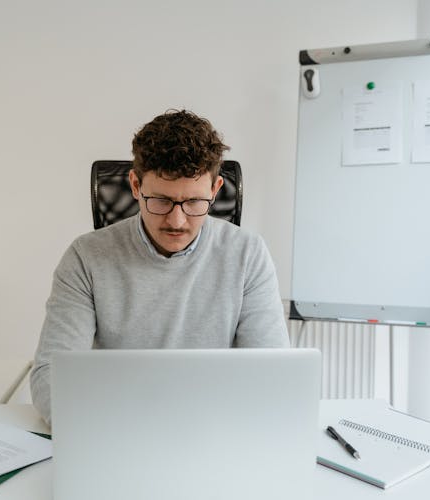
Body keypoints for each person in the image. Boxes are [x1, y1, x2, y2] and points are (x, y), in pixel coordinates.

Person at [30, 109, 289, 424]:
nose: (177, 221)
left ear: (215, 190)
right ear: (136, 185)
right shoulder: (86, 258)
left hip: (212, 431)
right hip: (118, 428)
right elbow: (49, 378)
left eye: (194, 203)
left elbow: (271, 377)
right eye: (162, 201)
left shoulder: (248, 255)